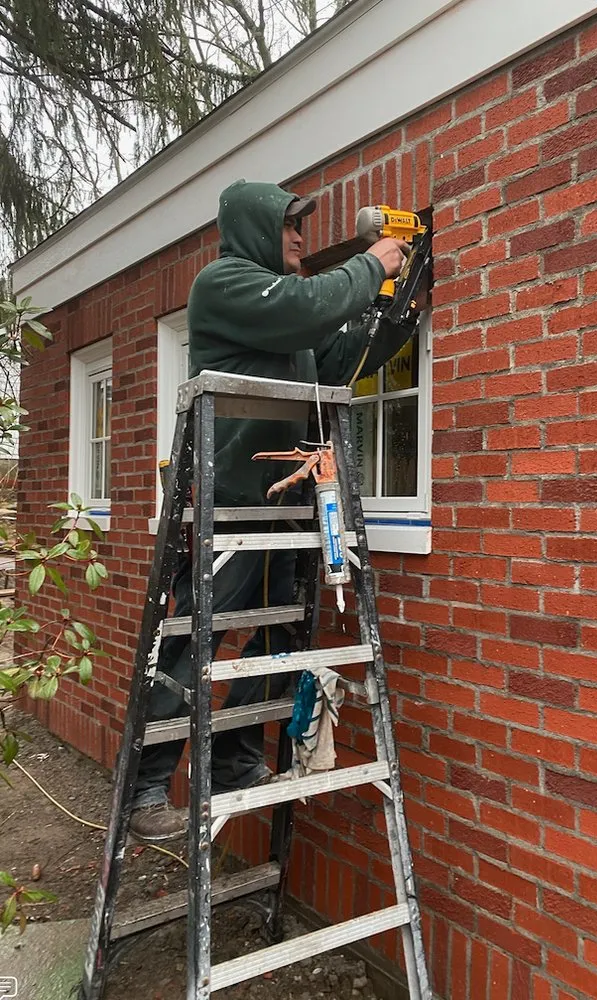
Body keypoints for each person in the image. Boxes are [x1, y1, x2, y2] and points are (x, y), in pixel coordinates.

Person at [129, 180, 419, 843]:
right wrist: (370, 262)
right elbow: (307, 309)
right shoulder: (225, 286)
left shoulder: (291, 325)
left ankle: (233, 760)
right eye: (289, 226)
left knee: (279, 638)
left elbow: (341, 358)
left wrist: (396, 303)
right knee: (193, 639)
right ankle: (148, 785)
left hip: (283, 506)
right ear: (256, 230)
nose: (299, 237)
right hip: (229, 506)